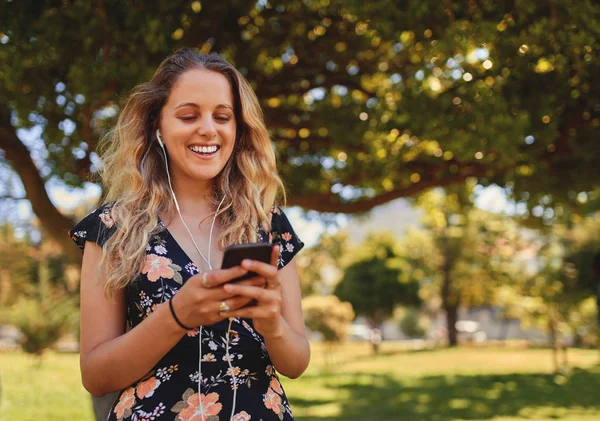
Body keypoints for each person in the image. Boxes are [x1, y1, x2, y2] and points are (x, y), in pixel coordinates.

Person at [69, 48, 310, 421]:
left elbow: (297, 362)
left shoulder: (266, 222)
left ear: (238, 128)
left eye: (223, 116)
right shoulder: (112, 227)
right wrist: (177, 316)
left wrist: (272, 324)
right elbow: (95, 376)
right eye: (188, 115)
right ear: (157, 126)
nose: (208, 129)